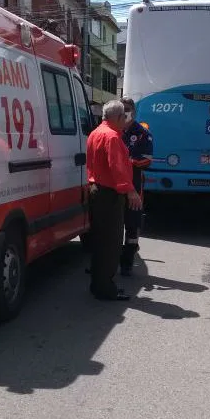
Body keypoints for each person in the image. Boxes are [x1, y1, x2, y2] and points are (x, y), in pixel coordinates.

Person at [86, 100, 143, 301]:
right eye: (123, 117)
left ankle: (98, 284)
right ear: (118, 117)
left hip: (97, 191)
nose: (125, 121)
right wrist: (131, 191)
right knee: (110, 243)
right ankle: (104, 288)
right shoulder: (112, 137)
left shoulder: (96, 132)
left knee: (100, 240)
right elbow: (117, 168)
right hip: (109, 194)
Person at [119, 97, 153, 276]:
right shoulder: (113, 130)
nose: (124, 112)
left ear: (134, 112)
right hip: (113, 185)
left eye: (127, 109)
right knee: (113, 224)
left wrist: (126, 161)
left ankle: (128, 260)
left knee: (132, 224)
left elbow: (146, 160)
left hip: (134, 184)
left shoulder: (141, 133)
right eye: (122, 108)